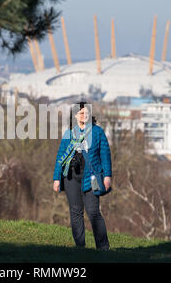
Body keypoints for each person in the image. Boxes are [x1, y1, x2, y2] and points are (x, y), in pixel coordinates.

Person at [52, 102, 112, 250]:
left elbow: (105, 155)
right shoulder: (69, 133)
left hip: (92, 178)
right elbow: (61, 156)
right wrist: (56, 178)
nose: (84, 115)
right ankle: (80, 246)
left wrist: (107, 175)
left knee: (93, 212)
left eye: (86, 113)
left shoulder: (97, 132)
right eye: (80, 113)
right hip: (71, 177)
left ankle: (103, 246)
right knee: (75, 211)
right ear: (75, 116)